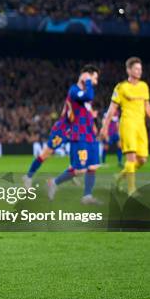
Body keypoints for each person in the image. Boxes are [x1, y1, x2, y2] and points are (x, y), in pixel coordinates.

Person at [100, 57, 150, 194]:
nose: (139, 71)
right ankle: (131, 189)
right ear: (128, 70)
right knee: (131, 157)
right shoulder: (121, 87)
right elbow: (112, 109)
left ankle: (117, 179)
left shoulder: (144, 86)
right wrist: (104, 127)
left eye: (140, 69)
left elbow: (148, 107)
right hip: (127, 124)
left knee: (142, 160)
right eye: (136, 69)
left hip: (141, 126)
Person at [47, 65, 101, 204]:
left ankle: (87, 197)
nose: (96, 81)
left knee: (92, 166)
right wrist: (87, 80)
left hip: (90, 136)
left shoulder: (85, 92)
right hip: (79, 135)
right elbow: (89, 95)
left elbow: (86, 111)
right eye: (94, 78)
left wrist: (94, 125)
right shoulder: (74, 90)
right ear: (86, 76)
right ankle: (54, 182)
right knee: (79, 170)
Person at [23, 100, 72, 188]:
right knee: (45, 154)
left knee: (79, 148)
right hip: (61, 131)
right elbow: (71, 116)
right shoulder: (74, 100)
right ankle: (28, 177)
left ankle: (72, 171)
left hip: (71, 131)